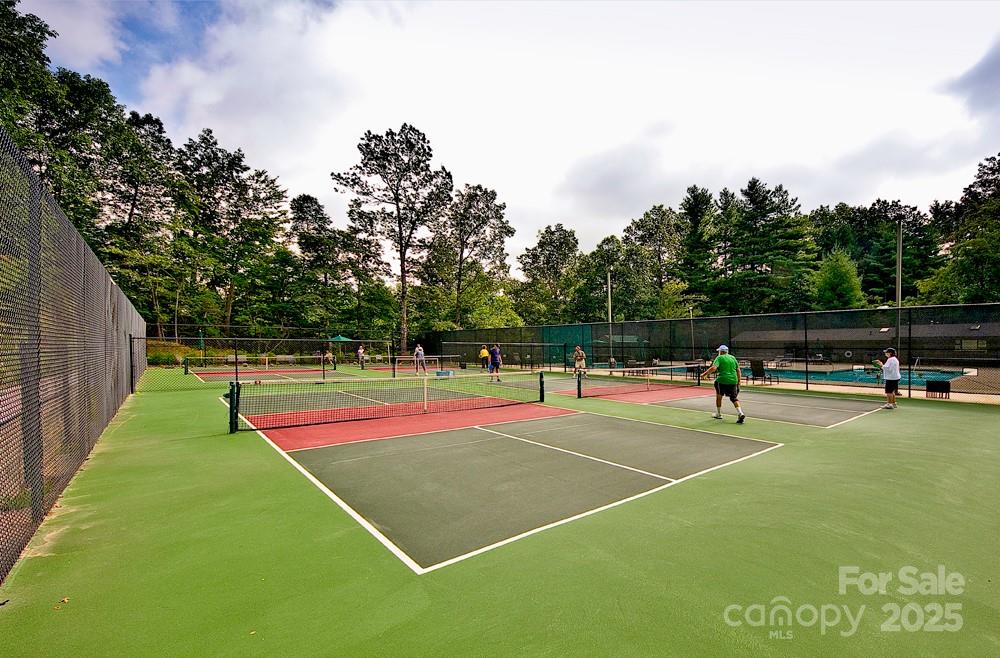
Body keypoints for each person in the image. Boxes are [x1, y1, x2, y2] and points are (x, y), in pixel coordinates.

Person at [701, 344, 746, 424]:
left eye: (719, 351)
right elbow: (738, 370)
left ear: (721, 352)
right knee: (733, 398)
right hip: (733, 381)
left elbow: (714, 368)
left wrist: (704, 374)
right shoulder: (733, 358)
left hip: (722, 380)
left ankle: (718, 414)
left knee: (719, 396)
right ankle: (740, 413)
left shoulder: (719, 358)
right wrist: (739, 381)